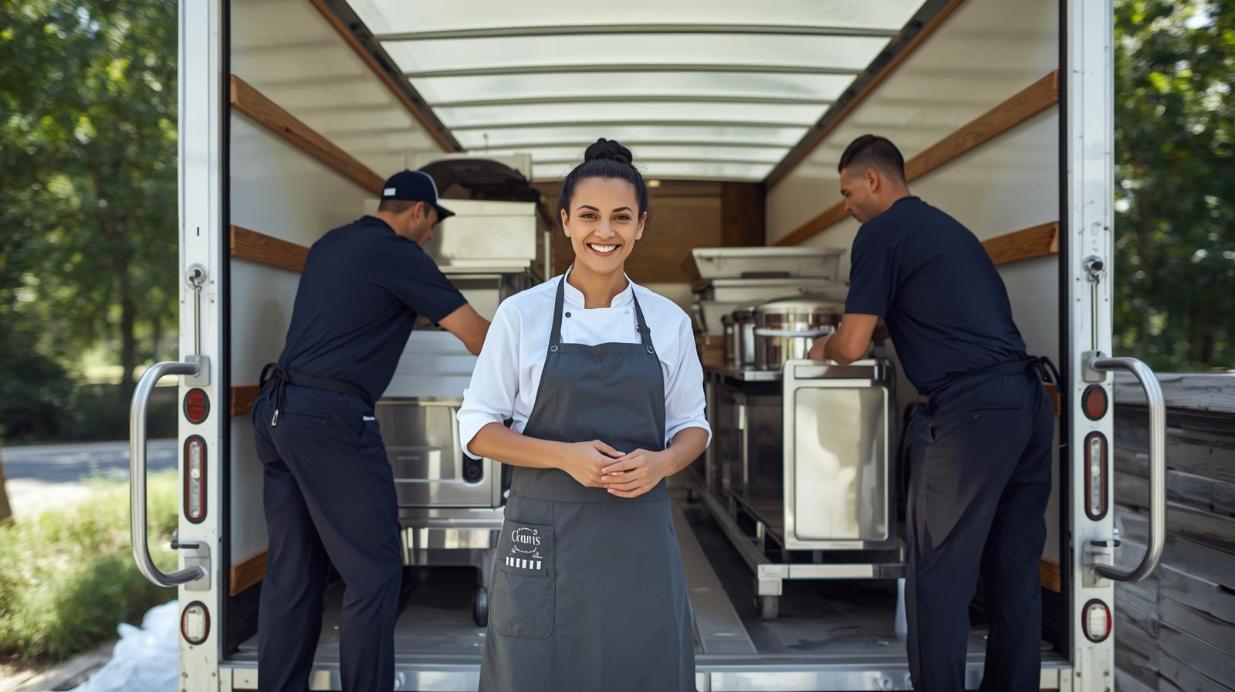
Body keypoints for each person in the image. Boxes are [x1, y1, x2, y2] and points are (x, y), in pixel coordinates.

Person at [457, 139, 710, 692]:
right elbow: (476, 427)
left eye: (622, 217)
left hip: (638, 539)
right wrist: (563, 456)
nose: (606, 231)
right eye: (590, 216)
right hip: (548, 540)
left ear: (641, 225)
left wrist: (663, 464)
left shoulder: (667, 322)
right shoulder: (520, 315)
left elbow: (694, 426)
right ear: (566, 222)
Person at [808, 135, 1056, 692]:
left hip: (969, 418)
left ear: (873, 180)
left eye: (847, 193)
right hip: (1027, 403)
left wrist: (819, 347)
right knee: (1014, 572)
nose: (846, 207)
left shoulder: (879, 234)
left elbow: (850, 346)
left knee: (938, 576)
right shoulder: (949, 230)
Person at [250, 169, 490, 692]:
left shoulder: (329, 245)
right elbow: (477, 337)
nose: (430, 234)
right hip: (330, 421)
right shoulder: (400, 255)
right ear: (419, 213)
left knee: (293, 574)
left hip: (277, 414)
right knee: (375, 573)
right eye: (432, 223)